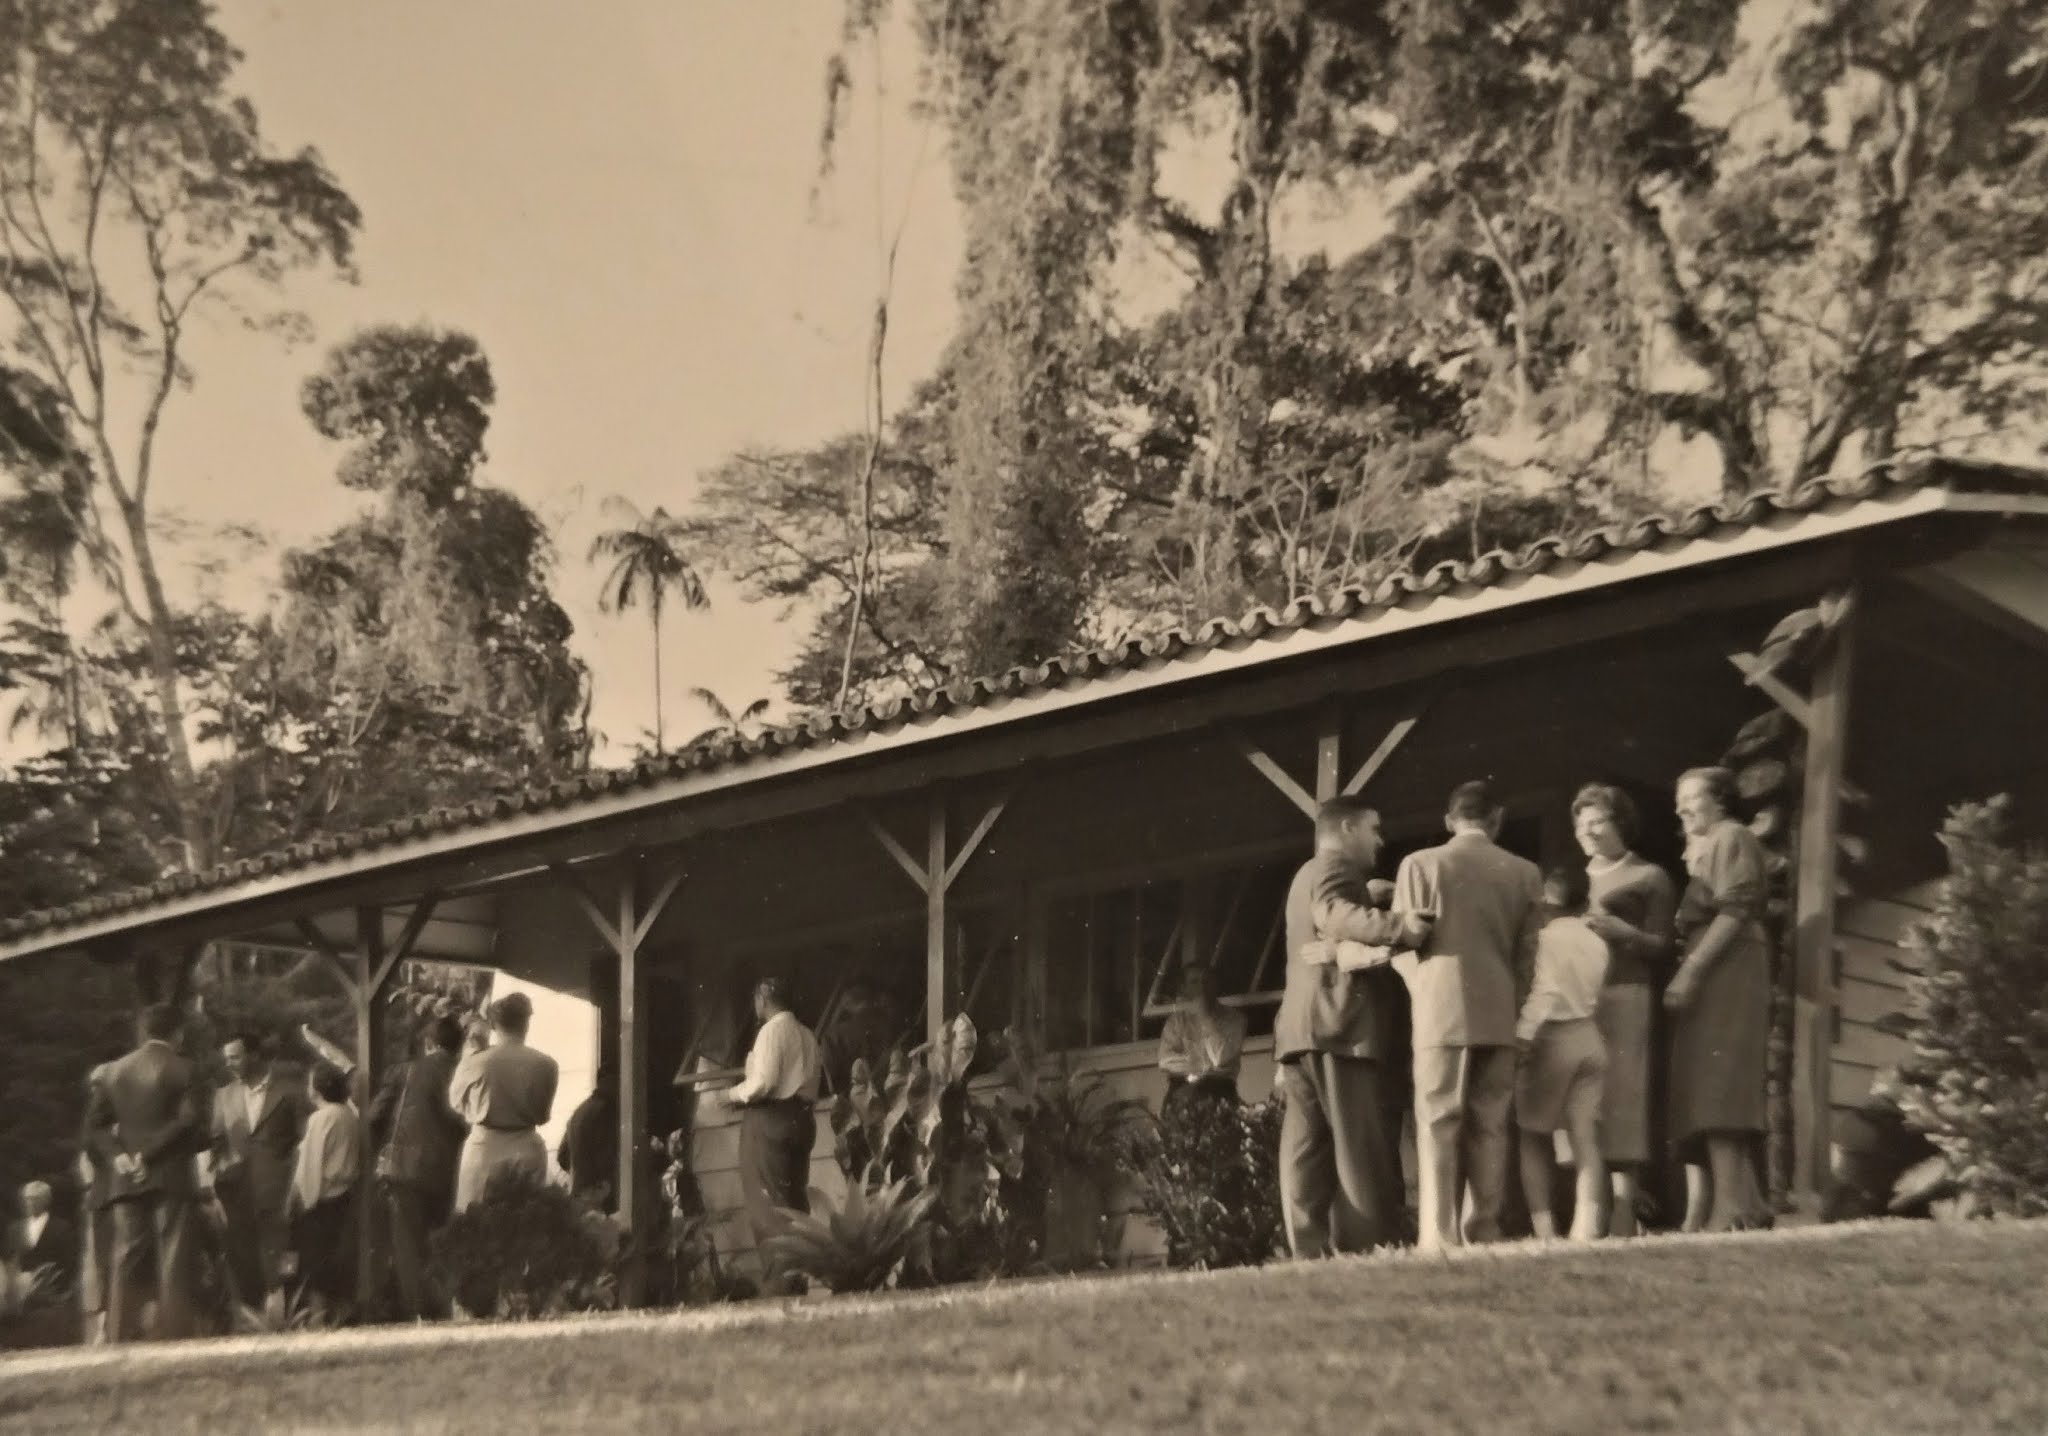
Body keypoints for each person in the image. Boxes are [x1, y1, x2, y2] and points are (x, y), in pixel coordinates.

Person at [1275, 797, 1432, 1258]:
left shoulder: (1305, 874)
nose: (1380, 840)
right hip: (1341, 1028)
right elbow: (1332, 913)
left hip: (1301, 1034)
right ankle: (1368, 1249)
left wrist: (1373, 894)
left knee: (1306, 1151)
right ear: (1346, 829)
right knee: (1360, 1148)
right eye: (1374, 829)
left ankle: (1307, 1251)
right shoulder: (1334, 868)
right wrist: (1399, 926)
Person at [1393, 780, 1545, 1252]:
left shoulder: (1420, 864)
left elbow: (1401, 942)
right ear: (1496, 819)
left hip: (1440, 1007)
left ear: (1448, 820)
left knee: (1438, 1121)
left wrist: (1419, 984)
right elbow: (1528, 954)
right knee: (1491, 1124)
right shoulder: (1525, 872)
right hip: (1498, 1009)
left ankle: (1436, 1235)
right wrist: (1514, 1005)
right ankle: (1483, 1229)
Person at [1668, 766, 1773, 1232]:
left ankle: (1729, 1208)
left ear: (1722, 801)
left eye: (1692, 797)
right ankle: (1745, 1204)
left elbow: (1734, 911)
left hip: (1727, 965)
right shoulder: (1711, 845)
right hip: (1716, 965)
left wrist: (1690, 971)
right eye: (1679, 800)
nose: (1681, 807)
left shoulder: (1732, 836)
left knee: (1722, 1079)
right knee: (1711, 1079)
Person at [1570, 783, 1678, 1238]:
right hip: (1580, 999)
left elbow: (1663, 947)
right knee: (1582, 1099)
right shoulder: (1573, 880)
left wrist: (1622, 932)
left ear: (1621, 825)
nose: (1589, 832)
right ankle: (1588, 1206)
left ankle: (1624, 1210)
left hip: (1627, 993)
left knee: (1624, 1096)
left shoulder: (1649, 877)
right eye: (1582, 823)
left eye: (1599, 822)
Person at [87, 1003, 207, 1342]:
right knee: (173, 1253)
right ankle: (173, 1333)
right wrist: (148, 1155)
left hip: (124, 1176)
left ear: (143, 1031)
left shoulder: (112, 1072)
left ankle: (118, 1334)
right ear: (177, 1033)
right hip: (169, 1173)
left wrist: (119, 1157)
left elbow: (95, 1128)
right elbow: (188, 1121)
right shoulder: (184, 1069)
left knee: (127, 1254)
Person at [1514, 867, 1612, 1242]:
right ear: (1585, 901)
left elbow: (1546, 991)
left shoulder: (1543, 939)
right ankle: (1586, 1225)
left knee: (1532, 1134)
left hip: (1551, 1037)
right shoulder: (1596, 941)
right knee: (1585, 1135)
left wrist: (1523, 1036)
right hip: (1588, 1032)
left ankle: (1545, 1230)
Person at [367, 1014, 468, 1319]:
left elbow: (374, 1116)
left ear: (428, 1043)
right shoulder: (463, 1072)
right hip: (450, 1171)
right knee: (442, 1242)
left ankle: (417, 1313)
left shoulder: (405, 1071)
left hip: (405, 1170)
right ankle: (444, 1308)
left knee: (408, 1245)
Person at [724, 976, 820, 1284]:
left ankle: (781, 1283)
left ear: (763, 998)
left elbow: (762, 1083)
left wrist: (731, 1095)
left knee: (768, 1204)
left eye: (756, 1000)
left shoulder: (771, 1031)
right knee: (795, 1202)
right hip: (802, 1118)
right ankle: (798, 1278)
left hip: (771, 1120)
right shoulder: (807, 1034)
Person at [209, 1031, 309, 1307]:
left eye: (235, 1057)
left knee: (282, 1251)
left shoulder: (289, 1091)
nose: (229, 1063)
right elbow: (215, 1146)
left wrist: (297, 1184)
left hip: (279, 1188)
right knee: (242, 1256)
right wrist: (212, 1191)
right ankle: (251, 1314)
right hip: (236, 1194)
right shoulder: (223, 1096)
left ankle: (285, 1306)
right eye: (226, 1058)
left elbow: (305, 1141)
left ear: (254, 1056)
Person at [449, 993, 560, 1213]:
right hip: (527, 1146)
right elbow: (543, 1115)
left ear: (493, 1025)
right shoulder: (546, 1064)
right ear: (526, 1023)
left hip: (484, 1148)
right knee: (525, 1223)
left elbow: (455, 1102)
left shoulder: (476, 1061)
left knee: (476, 1222)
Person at [286, 1063, 361, 1307]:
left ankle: (316, 1314)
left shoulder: (322, 1117)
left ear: (317, 1089)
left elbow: (311, 1163)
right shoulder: (348, 1114)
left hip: (321, 1197)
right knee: (332, 1256)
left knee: (314, 1260)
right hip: (343, 1194)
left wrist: (301, 1200)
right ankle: (333, 1311)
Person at [1156, 962, 1248, 1118]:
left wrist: (1204, 1016)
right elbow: (1165, 1060)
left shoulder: (1235, 1020)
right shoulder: (1176, 1021)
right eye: (1194, 982)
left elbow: (1221, 1058)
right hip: (1181, 1091)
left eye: (1207, 981)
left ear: (1216, 985)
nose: (1201, 987)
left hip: (1219, 1090)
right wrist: (1203, 1067)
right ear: (1184, 988)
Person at [76, 1064, 115, 1346]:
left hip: (124, 1197)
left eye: (100, 1085)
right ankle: (103, 1326)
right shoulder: (94, 1126)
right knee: (102, 1264)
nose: (95, 1092)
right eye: (93, 1086)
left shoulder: (129, 1117)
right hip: (102, 1200)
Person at [558, 1063, 620, 1212]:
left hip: (580, 1193)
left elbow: (562, 1156)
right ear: (609, 1082)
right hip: (598, 1195)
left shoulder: (580, 1110)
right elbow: (606, 1158)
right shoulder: (605, 1111)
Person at [6, 1181, 75, 1286]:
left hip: (51, 1289)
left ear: (45, 1201)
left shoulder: (61, 1228)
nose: (28, 1203)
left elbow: (68, 1263)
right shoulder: (15, 1229)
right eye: (27, 1198)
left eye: (34, 1199)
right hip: (19, 1291)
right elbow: (10, 1261)